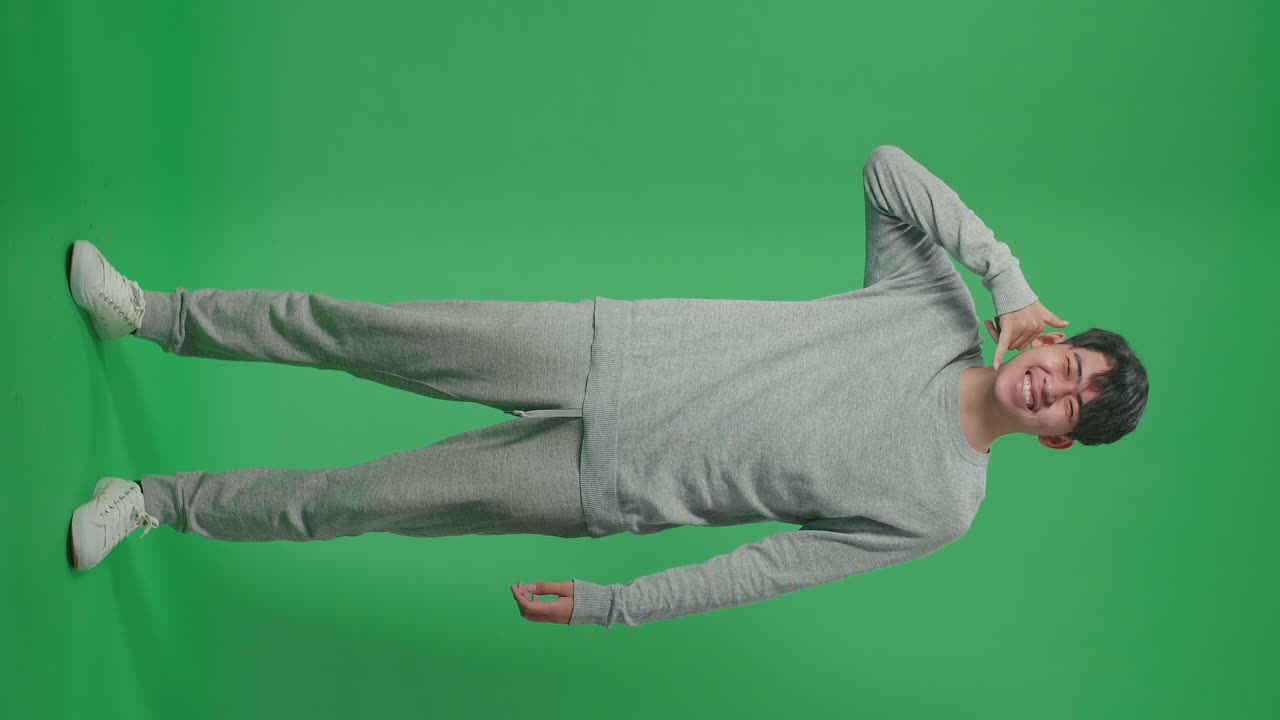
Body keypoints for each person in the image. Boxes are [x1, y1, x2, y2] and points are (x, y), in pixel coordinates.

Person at [65, 144, 1149, 629]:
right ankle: (151, 314)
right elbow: (883, 167)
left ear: (1057, 436)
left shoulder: (942, 508)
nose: (1052, 381)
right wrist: (1002, 276)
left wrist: (613, 609)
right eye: (1068, 360)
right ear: (1049, 339)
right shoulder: (936, 309)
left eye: (1068, 400)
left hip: (600, 487)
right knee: (358, 332)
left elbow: (770, 568)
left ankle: (154, 504)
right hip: (602, 350)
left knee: (355, 501)